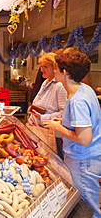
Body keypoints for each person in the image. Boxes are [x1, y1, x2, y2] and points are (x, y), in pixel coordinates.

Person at [42, 50, 101, 218]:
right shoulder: (84, 89)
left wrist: (58, 127)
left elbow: (84, 138)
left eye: (57, 68)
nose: (54, 71)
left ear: (65, 72)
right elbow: (83, 125)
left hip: (83, 160)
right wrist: (64, 123)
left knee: (87, 206)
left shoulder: (77, 100)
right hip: (89, 157)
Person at [28, 52, 67, 159]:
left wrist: (42, 117)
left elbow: (64, 114)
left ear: (55, 68)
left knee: (55, 163)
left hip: (53, 135)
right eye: (41, 66)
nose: (41, 70)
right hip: (39, 129)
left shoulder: (60, 86)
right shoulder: (45, 82)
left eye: (45, 67)